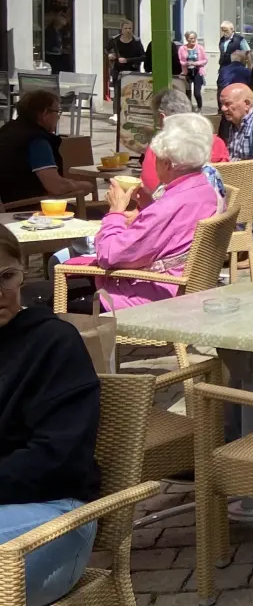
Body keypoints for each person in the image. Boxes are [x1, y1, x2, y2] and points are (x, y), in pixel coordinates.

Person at [0, 260, 103, 606]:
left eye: (5, 277)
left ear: (21, 276)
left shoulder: (53, 342)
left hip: (56, 511)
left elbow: (57, 459)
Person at [59, 114, 226, 312]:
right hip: (183, 288)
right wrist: (146, 209)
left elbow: (108, 256)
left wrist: (115, 212)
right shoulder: (205, 191)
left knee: (41, 296)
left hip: (150, 297)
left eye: (155, 159)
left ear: (168, 164)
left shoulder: (169, 205)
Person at [0, 90, 94, 207]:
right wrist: (85, 186)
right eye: (57, 112)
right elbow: (56, 186)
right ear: (45, 113)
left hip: (9, 202)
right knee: (98, 215)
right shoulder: (36, 141)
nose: (58, 117)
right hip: (25, 209)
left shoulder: (7, 130)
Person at [139, 88, 228, 201]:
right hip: (211, 207)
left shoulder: (162, 147)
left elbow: (149, 186)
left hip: (169, 209)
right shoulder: (217, 142)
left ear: (162, 118)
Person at [105, 20, 143, 100]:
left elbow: (143, 57)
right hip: (118, 71)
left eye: (130, 28)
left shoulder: (136, 41)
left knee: (130, 95)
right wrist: (109, 55)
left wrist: (127, 60)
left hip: (132, 71)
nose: (128, 30)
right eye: (126, 28)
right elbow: (106, 49)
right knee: (117, 94)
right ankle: (116, 112)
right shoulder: (115, 40)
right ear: (121, 29)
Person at [179, 30, 207, 109]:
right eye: (190, 38)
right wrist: (186, 63)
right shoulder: (182, 48)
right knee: (187, 92)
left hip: (197, 71)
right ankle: (189, 108)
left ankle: (199, 108)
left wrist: (196, 63)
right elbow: (181, 60)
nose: (192, 40)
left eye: (194, 38)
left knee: (197, 93)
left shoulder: (200, 48)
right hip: (187, 72)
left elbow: (205, 60)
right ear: (186, 38)